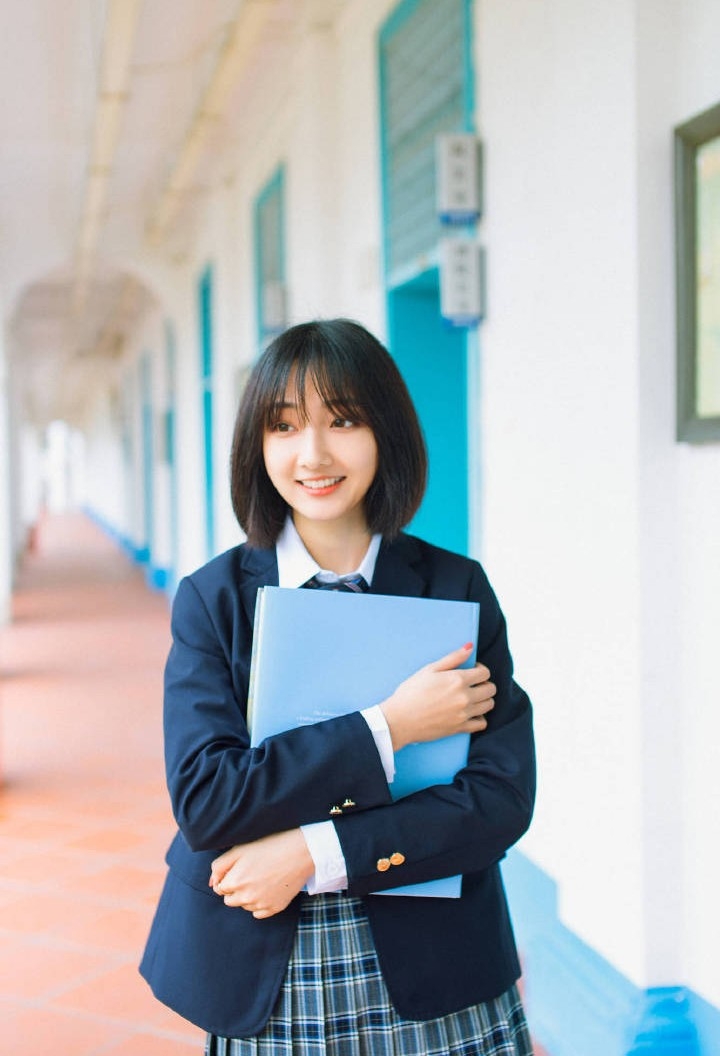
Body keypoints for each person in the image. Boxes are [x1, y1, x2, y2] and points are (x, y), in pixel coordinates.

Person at [140, 318, 536, 1055]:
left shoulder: (454, 589)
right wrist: (388, 726)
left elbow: (498, 802)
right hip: (267, 966)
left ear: (386, 433)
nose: (313, 455)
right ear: (257, 449)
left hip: (436, 962)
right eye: (284, 427)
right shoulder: (215, 600)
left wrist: (312, 854)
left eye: (343, 421)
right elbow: (207, 799)